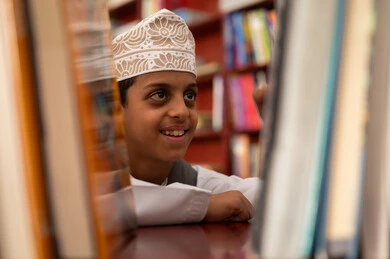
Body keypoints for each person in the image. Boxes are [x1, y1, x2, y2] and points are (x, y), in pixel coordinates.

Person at [111, 8, 263, 226]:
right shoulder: (92, 181)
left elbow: (266, 194)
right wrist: (203, 207)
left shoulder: (194, 181)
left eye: (189, 95)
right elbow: (107, 207)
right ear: (116, 110)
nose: (182, 111)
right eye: (160, 95)